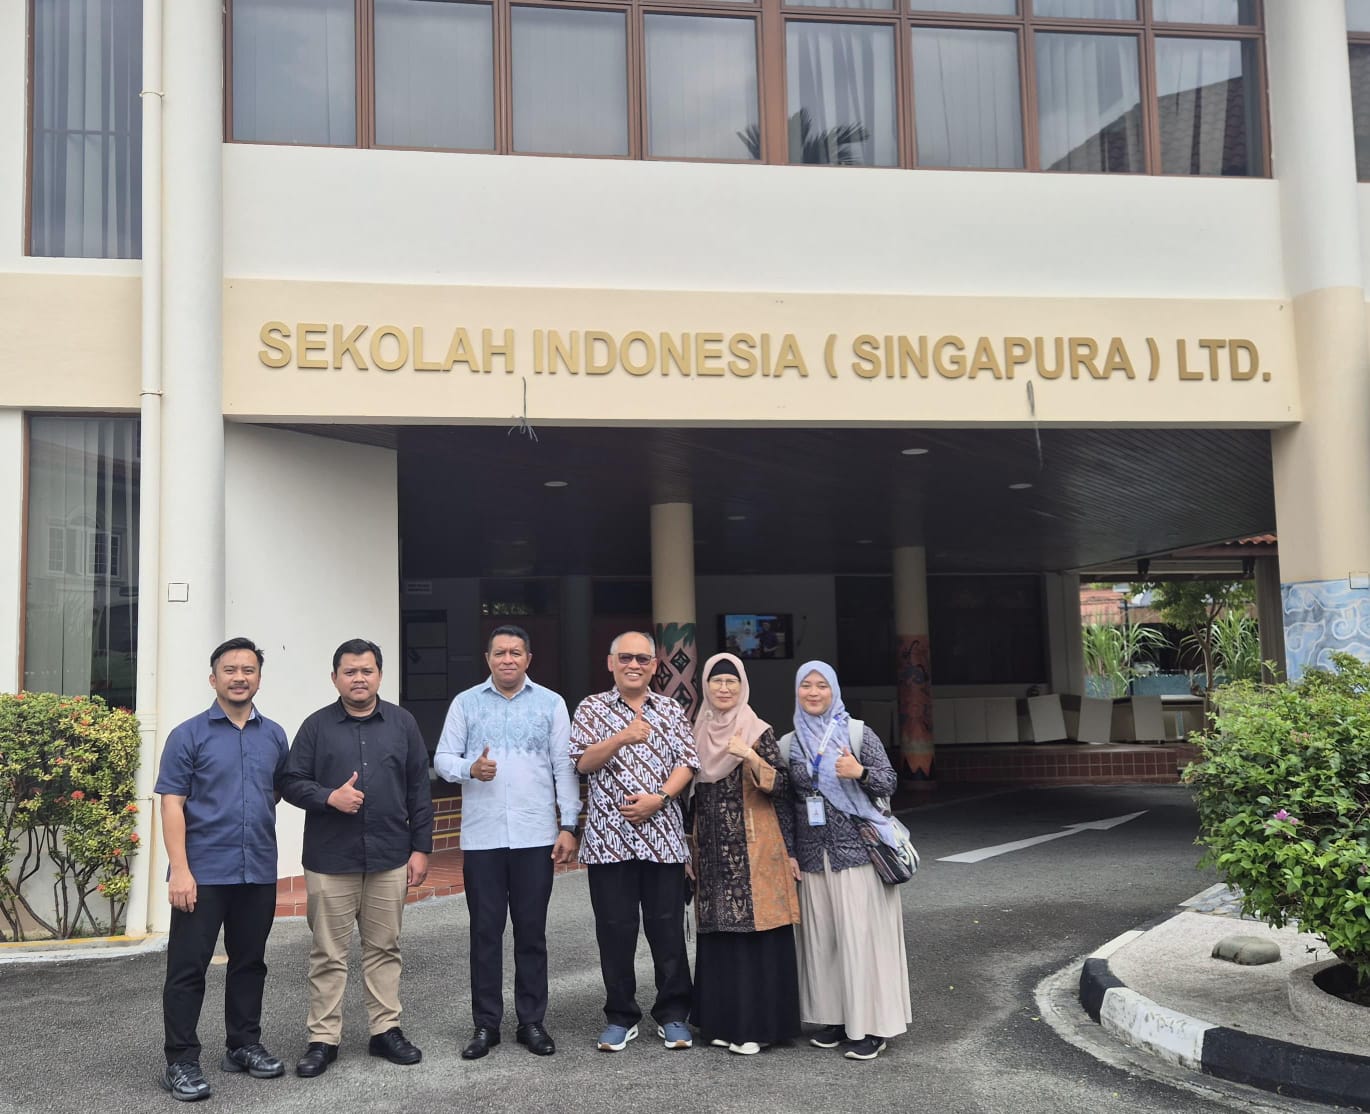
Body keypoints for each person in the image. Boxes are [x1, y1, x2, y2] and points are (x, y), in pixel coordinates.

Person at [281, 638, 434, 1078]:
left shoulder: (403, 723)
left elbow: (418, 789)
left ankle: (385, 1030)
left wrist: (421, 848)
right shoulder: (316, 726)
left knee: (384, 948)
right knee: (328, 953)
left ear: (380, 675)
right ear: (335, 678)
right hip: (331, 859)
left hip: (389, 855)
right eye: (350, 672)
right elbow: (291, 782)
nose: (359, 679)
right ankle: (323, 1038)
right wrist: (329, 796)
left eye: (367, 671)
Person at [433, 625, 581, 1060]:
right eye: (500, 652)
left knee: (532, 932)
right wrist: (469, 769)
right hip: (483, 838)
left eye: (516, 652)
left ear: (528, 659)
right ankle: (486, 1024)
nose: (508, 659)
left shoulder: (551, 703)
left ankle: (532, 1021)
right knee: (485, 932)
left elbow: (564, 766)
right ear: (488, 658)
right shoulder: (466, 703)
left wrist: (569, 824)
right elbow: (442, 758)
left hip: (536, 835)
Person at [155, 637, 290, 1102]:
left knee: (250, 963)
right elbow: (171, 804)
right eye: (230, 670)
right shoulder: (188, 735)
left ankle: (243, 1045)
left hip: (257, 869)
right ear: (213, 678)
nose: (239, 677)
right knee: (188, 969)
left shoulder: (274, 735)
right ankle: (180, 1060)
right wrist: (180, 870)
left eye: (248, 670)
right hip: (203, 873)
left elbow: (274, 791)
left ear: (259, 679)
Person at [570, 631, 698, 1052]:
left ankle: (673, 1013)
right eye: (625, 657)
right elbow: (582, 763)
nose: (634, 665)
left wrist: (658, 799)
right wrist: (621, 737)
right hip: (609, 842)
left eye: (643, 659)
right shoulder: (591, 708)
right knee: (615, 931)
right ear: (611, 662)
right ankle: (620, 1016)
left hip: (662, 838)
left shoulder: (670, 709)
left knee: (667, 929)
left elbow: (687, 763)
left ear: (654, 666)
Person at [780, 660, 911, 1061]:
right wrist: (788, 852)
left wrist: (860, 772)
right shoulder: (789, 744)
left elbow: (889, 780)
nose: (813, 692)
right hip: (812, 858)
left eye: (821, 685)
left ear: (834, 691)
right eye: (806, 685)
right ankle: (836, 1019)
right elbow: (785, 804)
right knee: (825, 943)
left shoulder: (857, 733)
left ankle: (871, 1026)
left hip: (858, 855)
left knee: (862, 943)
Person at [688, 653, 801, 1055]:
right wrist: (686, 848)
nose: (723, 688)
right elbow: (690, 798)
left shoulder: (757, 730)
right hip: (711, 855)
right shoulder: (696, 731)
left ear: (742, 687)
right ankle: (720, 1024)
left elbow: (784, 787)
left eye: (731, 682)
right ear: (706, 686)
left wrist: (750, 756)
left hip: (754, 851)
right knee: (719, 937)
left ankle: (758, 1027)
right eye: (716, 681)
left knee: (756, 937)